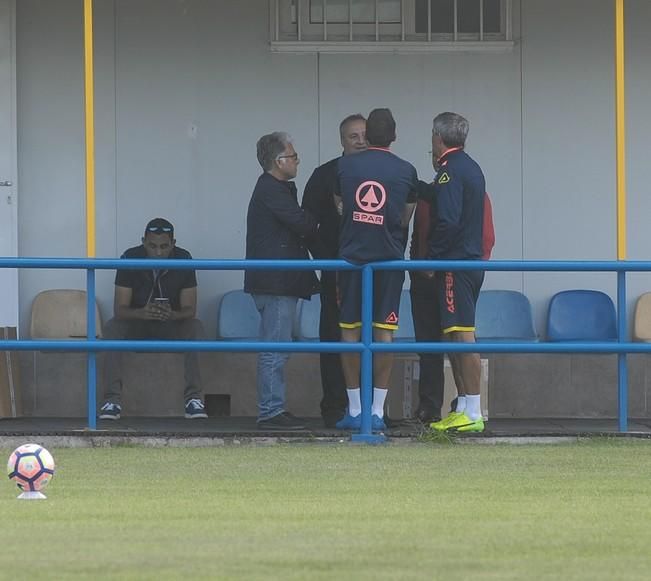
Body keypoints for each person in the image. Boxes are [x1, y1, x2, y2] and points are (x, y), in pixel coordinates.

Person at [334, 108, 417, 432]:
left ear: (368, 136)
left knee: (349, 331)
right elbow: (406, 216)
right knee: (385, 332)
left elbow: (340, 205)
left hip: (352, 259)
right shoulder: (406, 170)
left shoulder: (345, 165)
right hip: (389, 260)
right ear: (394, 136)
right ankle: (378, 412)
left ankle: (355, 409)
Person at [418, 112, 487, 433]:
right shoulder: (468, 166)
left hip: (455, 264)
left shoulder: (449, 171)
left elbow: (447, 220)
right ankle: (465, 406)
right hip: (468, 261)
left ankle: (472, 410)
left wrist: (433, 258)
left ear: (437, 137)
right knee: (456, 333)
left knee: (462, 334)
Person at [245, 132, 319, 431]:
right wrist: (322, 219)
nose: (297, 160)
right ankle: (271, 411)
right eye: (293, 156)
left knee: (279, 345)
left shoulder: (277, 189)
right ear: (278, 161)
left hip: (280, 281)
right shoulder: (271, 189)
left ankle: (274, 408)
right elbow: (302, 224)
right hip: (274, 282)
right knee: (275, 347)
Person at [99, 218, 208, 420]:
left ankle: (194, 399)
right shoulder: (130, 257)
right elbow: (120, 309)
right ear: (143, 242)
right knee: (112, 328)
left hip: (171, 325)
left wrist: (172, 314)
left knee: (196, 327)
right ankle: (111, 401)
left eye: (164, 246)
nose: (158, 252)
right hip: (137, 325)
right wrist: (142, 312)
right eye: (152, 246)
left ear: (173, 244)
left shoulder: (184, 259)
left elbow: (190, 310)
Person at [409, 184, 495, 424]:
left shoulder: (474, 193)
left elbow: (486, 238)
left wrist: (468, 268)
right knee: (427, 344)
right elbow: (418, 234)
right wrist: (417, 264)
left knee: (458, 337)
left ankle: (465, 404)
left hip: (454, 274)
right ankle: (429, 407)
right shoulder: (427, 195)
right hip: (423, 275)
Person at [302, 114, 367, 428]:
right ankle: (335, 408)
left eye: (364, 135)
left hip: (372, 274)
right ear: (342, 140)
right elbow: (307, 224)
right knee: (333, 338)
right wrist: (327, 260)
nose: (359, 140)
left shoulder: (380, 173)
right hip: (335, 272)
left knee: (372, 340)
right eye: (353, 136)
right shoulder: (324, 175)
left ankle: (370, 411)